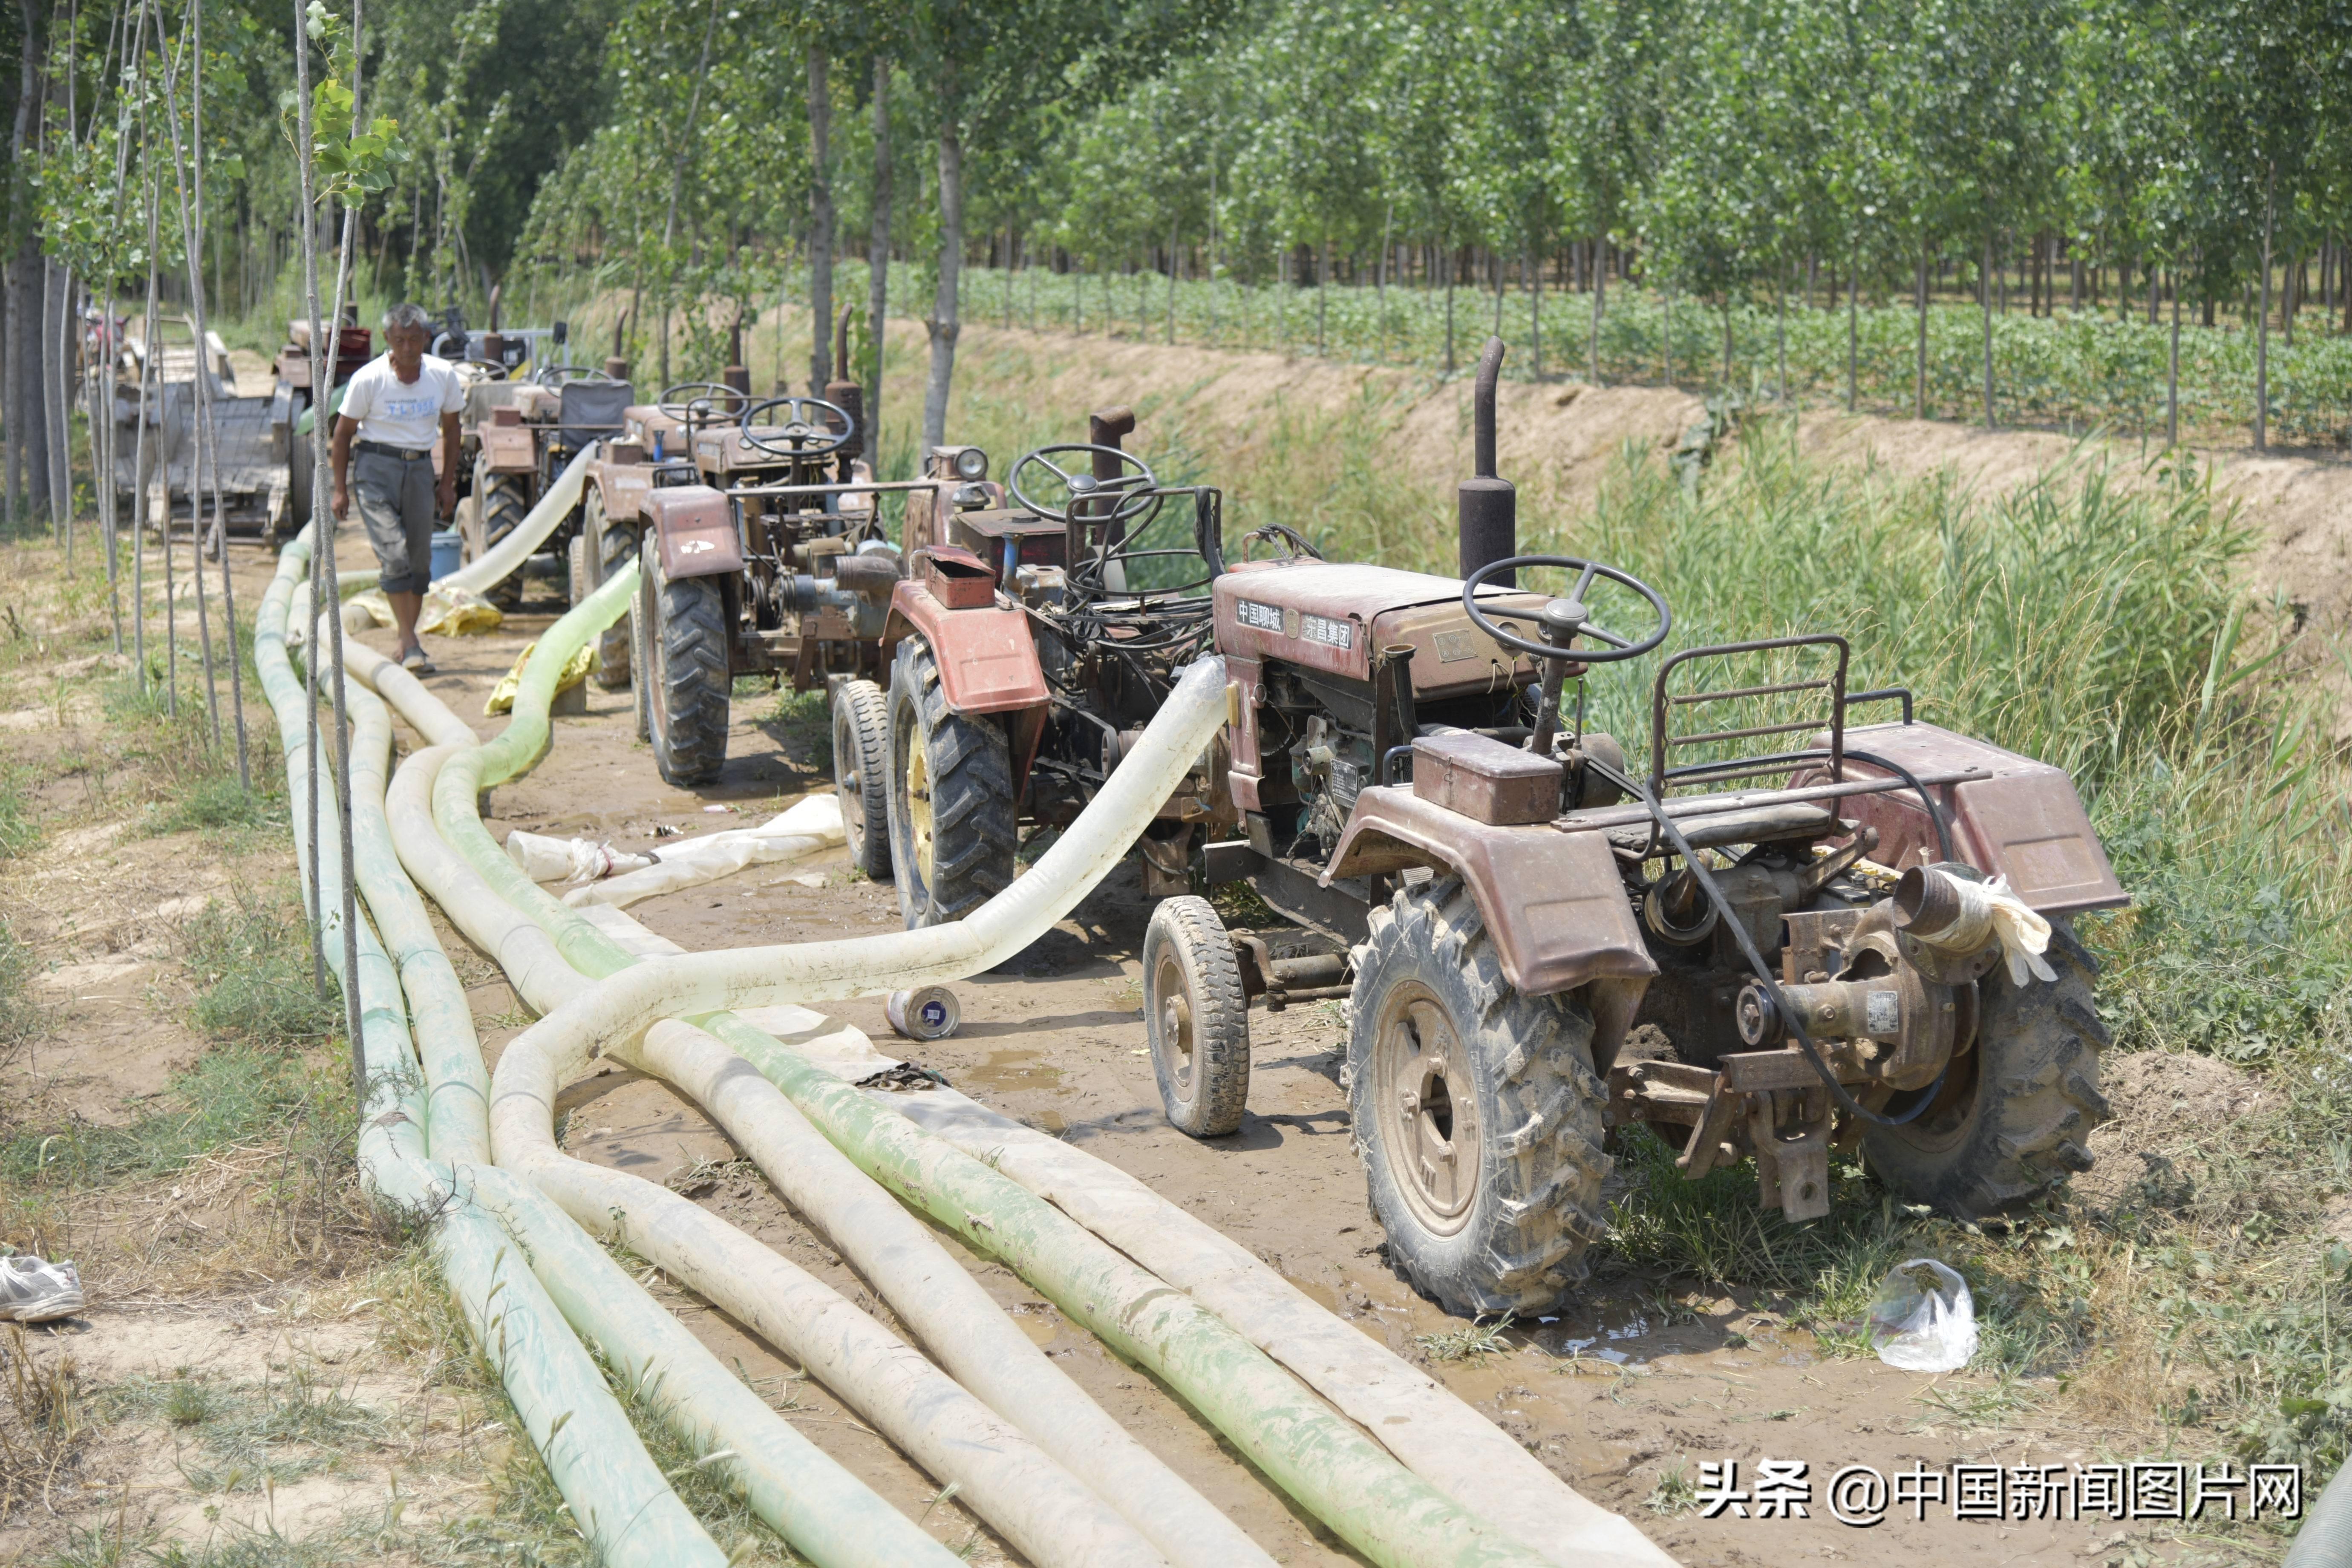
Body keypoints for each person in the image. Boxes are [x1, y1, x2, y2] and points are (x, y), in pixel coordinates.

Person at [330, 301, 463, 672]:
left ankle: (408, 640)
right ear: (388, 339)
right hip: (376, 468)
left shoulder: (441, 376)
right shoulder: (369, 379)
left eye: (415, 340)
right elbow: (342, 436)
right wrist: (339, 490)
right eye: (400, 340)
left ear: (426, 338)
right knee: (395, 555)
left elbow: (453, 431)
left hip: (420, 469)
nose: (407, 348)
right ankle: (409, 640)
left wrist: (447, 483)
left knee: (420, 562)